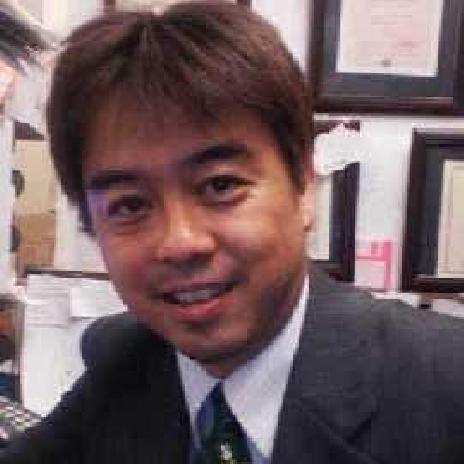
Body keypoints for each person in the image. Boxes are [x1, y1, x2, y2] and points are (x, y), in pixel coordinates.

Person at [3, 1, 464, 463]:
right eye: (130, 205)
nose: (180, 242)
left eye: (220, 186)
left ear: (304, 185)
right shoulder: (127, 362)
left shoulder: (444, 384)